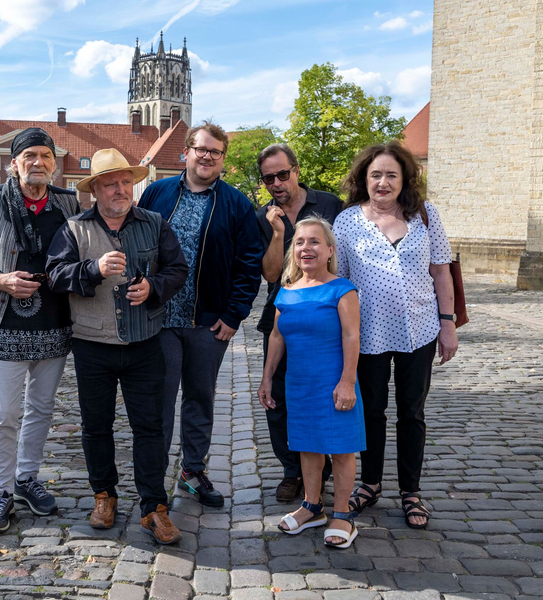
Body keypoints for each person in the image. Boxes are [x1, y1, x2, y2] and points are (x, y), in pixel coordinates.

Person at [47, 148, 188, 544]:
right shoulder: (74, 228)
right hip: (93, 344)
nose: (121, 190)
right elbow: (55, 275)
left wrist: (154, 288)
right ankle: (104, 495)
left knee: (150, 427)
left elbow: (178, 269)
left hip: (144, 342)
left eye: (126, 182)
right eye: (111, 184)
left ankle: (153, 507)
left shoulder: (154, 223)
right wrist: (92, 269)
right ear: (95, 190)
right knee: (96, 427)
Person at [0, 127, 80, 534]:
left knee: (42, 410)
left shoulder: (67, 202)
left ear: (54, 163)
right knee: (4, 414)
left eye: (46, 156)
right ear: (14, 164)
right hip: (4, 324)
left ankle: (26, 479)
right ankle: (0, 491)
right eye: (30, 156)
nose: (38, 163)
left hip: (54, 325)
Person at [333, 140, 459, 530]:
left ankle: (410, 491)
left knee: (412, 412)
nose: (383, 182)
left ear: (404, 179)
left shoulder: (425, 215)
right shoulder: (347, 221)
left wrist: (448, 323)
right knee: (370, 411)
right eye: (375, 175)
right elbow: (339, 280)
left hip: (419, 329)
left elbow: (441, 271)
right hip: (365, 333)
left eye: (391, 174)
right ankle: (370, 483)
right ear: (363, 180)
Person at [139, 120, 263, 507]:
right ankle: (153, 480)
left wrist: (234, 313)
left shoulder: (236, 204)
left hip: (208, 322)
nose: (207, 156)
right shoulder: (157, 193)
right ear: (186, 152)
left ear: (223, 158)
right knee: (159, 401)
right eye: (201, 149)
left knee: (199, 398)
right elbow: (135, 244)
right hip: (158, 318)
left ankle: (192, 471)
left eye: (215, 151)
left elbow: (249, 264)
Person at [258, 217, 364, 549]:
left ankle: (343, 514)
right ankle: (312, 506)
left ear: (330, 250)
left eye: (315, 241)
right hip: (299, 382)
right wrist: (266, 377)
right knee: (307, 446)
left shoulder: (342, 289)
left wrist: (347, 381)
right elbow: (276, 337)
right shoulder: (286, 291)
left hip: (334, 380)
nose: (307, 248)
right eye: (301, 242)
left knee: (342, 447)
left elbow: (352, 335)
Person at [255, 144, 343, 503]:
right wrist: (277, 234)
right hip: (283, 315)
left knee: (327, 392)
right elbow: (271, 273)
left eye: (282, 174)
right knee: (278, 396)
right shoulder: (263, 216)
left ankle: (325, 471)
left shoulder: (330, 205)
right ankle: (292, 471)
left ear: (296, 169)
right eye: (268, 178)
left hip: (327, 316)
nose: (277, 182)